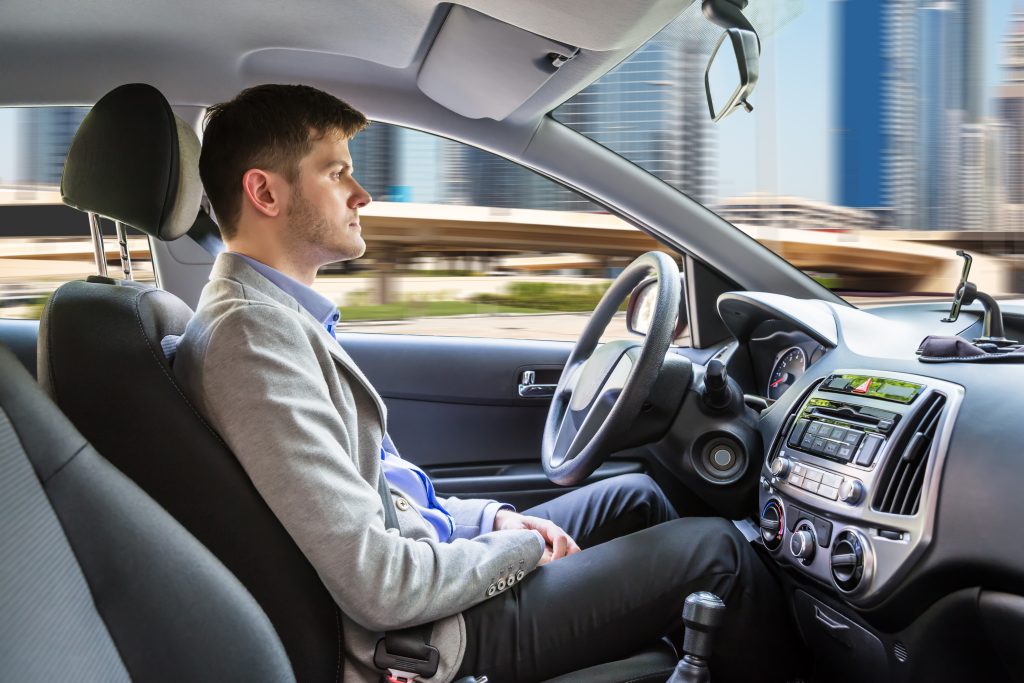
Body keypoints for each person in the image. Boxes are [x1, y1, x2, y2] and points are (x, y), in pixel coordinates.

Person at [174, 84, 792, 683]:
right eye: (336, 173)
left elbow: (387, 498)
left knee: (636, 498)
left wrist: (492, 521)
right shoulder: (252, 338)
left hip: (431, 575)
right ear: (264, 191)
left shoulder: (273, 317)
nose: (361, 194)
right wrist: (520, 553)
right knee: (719, 555)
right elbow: (380, 585)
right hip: (428, 638)